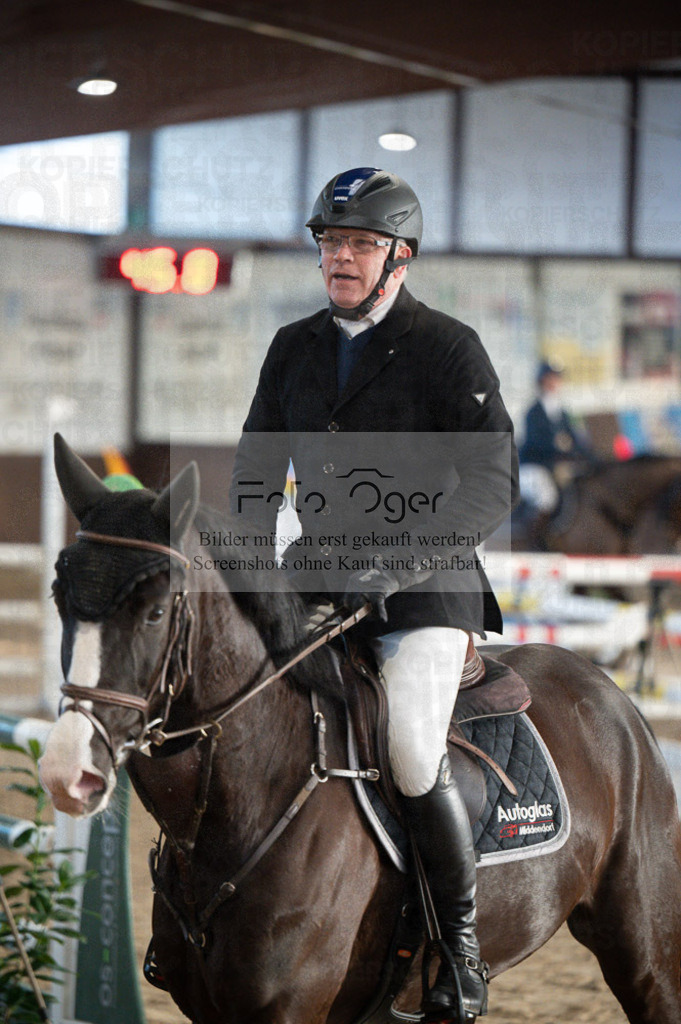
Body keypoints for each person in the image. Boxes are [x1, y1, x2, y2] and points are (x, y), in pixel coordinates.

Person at [229, 167, 518, 1022]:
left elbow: (490, 482)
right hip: (314, 582)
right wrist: (249, 572)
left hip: (424, 592)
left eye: (359, 243)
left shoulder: (448, 346)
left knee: (409, 747)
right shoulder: (293, 346)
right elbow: (256, 472)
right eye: (330, 242)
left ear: (399, 257)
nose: (340, 258)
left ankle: (457, 947)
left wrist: (398, 563)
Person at [518, 361, 593, 517]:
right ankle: (535, 531)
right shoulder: (533, 412)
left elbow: (575, 440)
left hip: (555, 466)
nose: (554, 383)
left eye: (556, 379)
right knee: (546, 498)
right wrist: (559, 446)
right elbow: (535, 441)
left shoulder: (563, 413)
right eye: (549, 379)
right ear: (541, 381)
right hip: (534, 466)